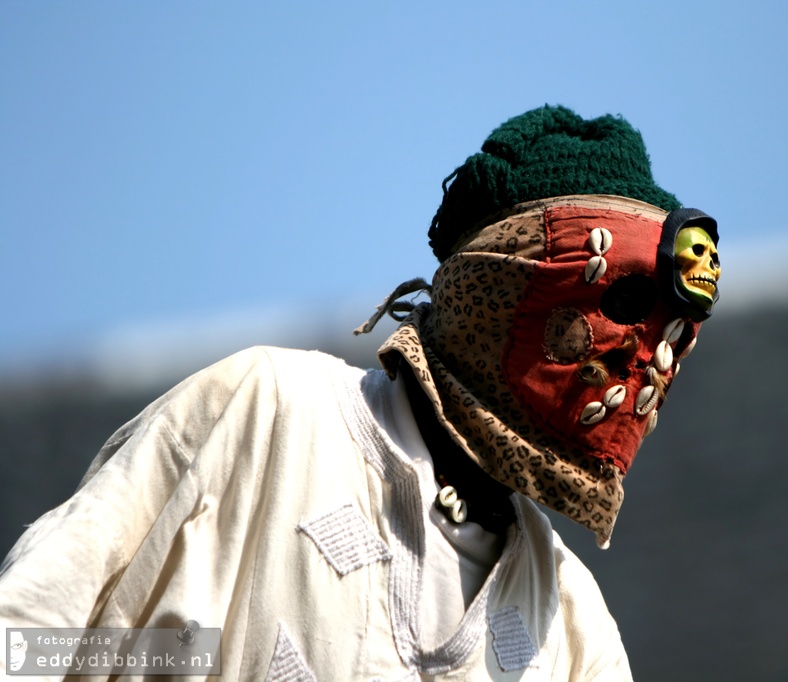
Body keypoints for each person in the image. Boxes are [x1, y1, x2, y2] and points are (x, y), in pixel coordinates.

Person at [0, 105, 720, 679]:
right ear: (499, 283)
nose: (648, 362)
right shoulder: (268, 416)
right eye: (627, 306)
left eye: (673, 333)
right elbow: (26, 642)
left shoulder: (568, 629)